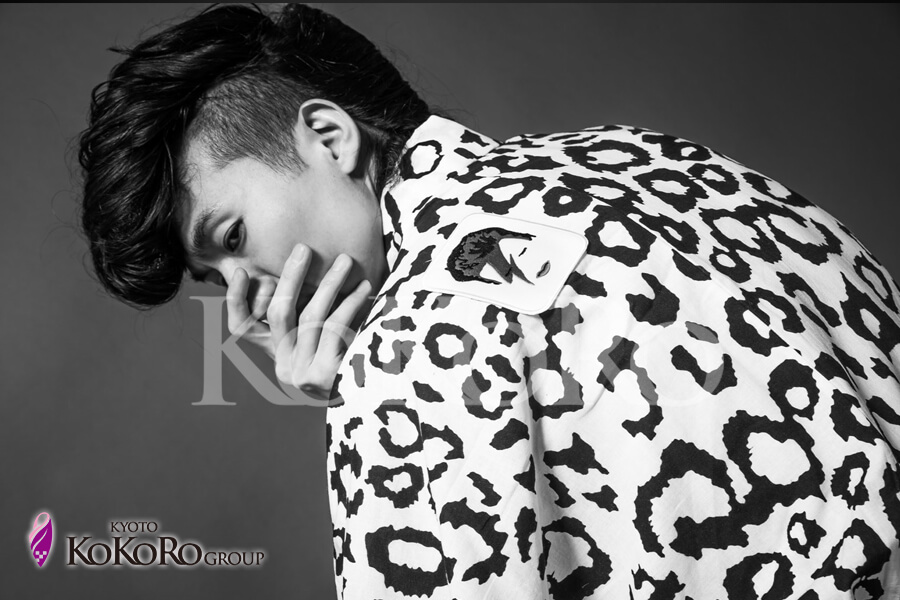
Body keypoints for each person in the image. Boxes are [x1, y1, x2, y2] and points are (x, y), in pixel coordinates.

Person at [78, 4, 900, 599]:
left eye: (231, 236)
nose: (244, 303)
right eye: (216, 278)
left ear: (329, 137)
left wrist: (372, 394)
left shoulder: (407, 362)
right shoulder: (643, 156)